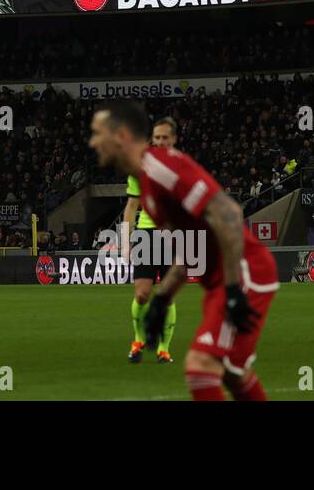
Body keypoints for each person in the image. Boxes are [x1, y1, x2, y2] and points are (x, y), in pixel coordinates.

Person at [89, 101, 277, 402]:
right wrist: (163, 298)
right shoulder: (146, 181)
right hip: (225, 280)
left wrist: (232, 289)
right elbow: (191, 247)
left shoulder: (160, 170)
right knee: (233, 374)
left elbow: (229, 213)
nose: (92, 141)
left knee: (200, 367)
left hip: (245, 273)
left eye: (98, 133)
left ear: (121, 135)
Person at [121, 116, 181, 364]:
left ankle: (164, 349)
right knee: (143, 294)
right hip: (146, 234)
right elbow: (131, 206)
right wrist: (125, 242)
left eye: (165, 137)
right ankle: (138, 339)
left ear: (173, 139)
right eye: (156, 137)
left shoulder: (182, 168)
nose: (160, 141)